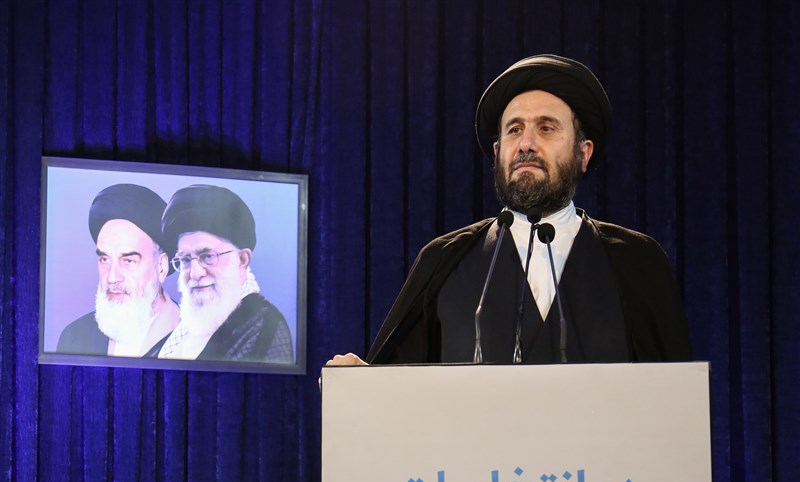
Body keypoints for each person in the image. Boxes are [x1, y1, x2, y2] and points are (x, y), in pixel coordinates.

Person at [328, 54, 692, 367]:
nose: (527, 144)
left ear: (583, 153)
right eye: (514, 130)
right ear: (498, 151)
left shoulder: (636, 261)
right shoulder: (444, 261)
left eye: (546, 128)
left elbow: (675, 400)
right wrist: (361, 384)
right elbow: (399, 393)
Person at [152, 184, 294, 363]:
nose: (195, 273)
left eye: (208, 256)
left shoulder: (265, 329)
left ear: (242, 259)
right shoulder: (184, 330)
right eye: (186, 259)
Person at [57, 183, 180, 357]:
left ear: (161, 267)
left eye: (128, 260)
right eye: (105, 259)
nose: (112, 277)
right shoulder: (75, 337)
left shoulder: (194, 339)